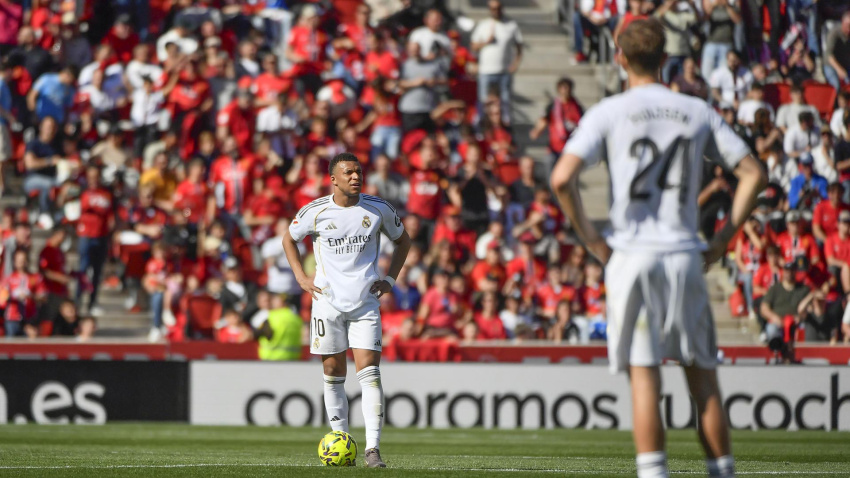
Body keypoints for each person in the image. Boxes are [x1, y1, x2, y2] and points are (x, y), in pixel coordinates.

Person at [551, 19, 766, 478]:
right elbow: (754, 173)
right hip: (684, 252)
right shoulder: (695, 109)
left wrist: (592, 239)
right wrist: (725, 238)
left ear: (620, 57)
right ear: (665, 58)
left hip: (631, 257)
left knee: (644, 374)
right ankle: (722, 472)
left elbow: (561, 178)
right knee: (701, 375)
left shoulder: (609, 112)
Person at [282, 152, 411, 468]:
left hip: (365, 303)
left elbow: (403, 240)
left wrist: (390, 279)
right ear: (333, 179)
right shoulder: (316, 211)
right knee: (332, 374)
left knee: (369, 373)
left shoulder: (378, 208)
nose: (356, 177)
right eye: (349, 173)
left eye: (358, 172)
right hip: (326, 303)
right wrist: (300, 276)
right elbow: (289, 238)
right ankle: (340, 440)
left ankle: (372, 450)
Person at [470, 0, 523, 125]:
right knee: (484, 102)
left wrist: (515, 64)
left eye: (498, 8)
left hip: (503, 71)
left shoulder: (511, 25)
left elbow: (519, 47)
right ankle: (483, 127)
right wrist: (486, 42)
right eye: (493, 8)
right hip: (486, 71)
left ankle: (505, 128)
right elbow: (473, 47)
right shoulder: (483, 25)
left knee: (504, 102)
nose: (496, 11)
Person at [824, 11, 850, 92]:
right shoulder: (834, 33)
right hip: (831, 65)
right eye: (848, 26)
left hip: (845, 65)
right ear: (842, 22)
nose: (849, 29)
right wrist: (839, 69)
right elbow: (829, 55)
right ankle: (836, 104)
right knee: (836, 86)